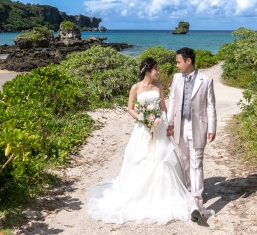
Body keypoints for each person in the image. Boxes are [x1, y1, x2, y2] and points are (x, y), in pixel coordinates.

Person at [87, 57, 196, 224]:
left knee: (162, 158)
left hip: (158, 127)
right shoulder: (135, 88)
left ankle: (163, 194)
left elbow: (162, 107)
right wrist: (142, 119)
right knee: (140, 157)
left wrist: (167, 124)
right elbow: (130, 108)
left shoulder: (159, 86)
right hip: (142, 129)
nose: (158, 72)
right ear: (147, 71)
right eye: (156, 69)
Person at [167, 47, 217, 221]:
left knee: (197, 163)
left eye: (178, 62)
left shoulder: (206, 80)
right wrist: (170, 123)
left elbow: (210, 105)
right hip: (180, 125)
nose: (177, 65)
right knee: (185, 161)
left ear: (189, 61)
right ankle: (188, 193)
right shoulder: (176, 78)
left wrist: (212, 128)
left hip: (197, 126)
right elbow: (172, 100)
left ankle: (196, 202)